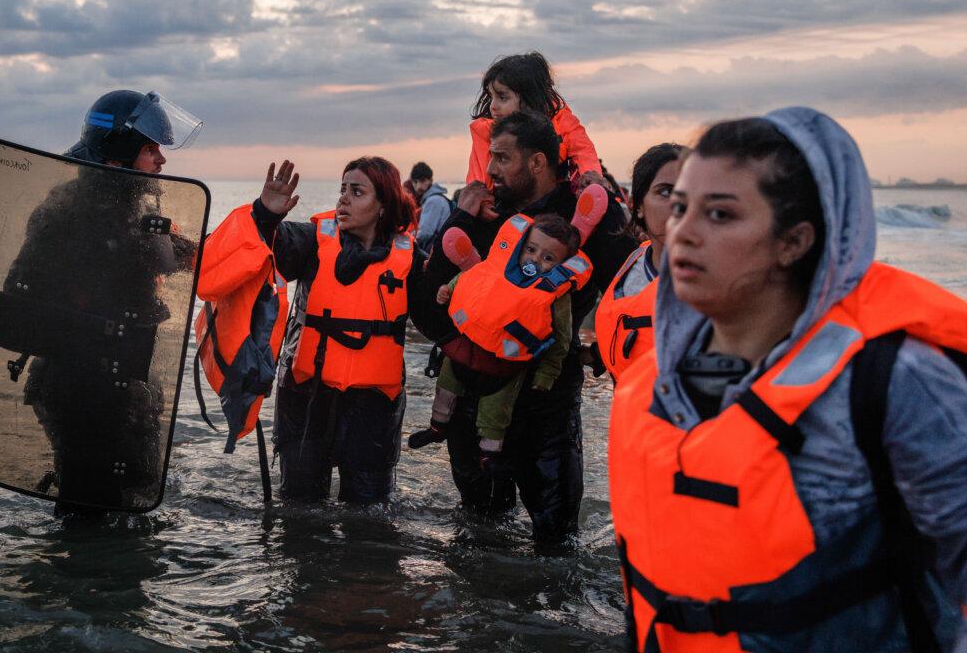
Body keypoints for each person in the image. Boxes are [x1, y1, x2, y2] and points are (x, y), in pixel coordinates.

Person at [609, 108, 967, 651]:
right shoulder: (654, 382)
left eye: (721, 214)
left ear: (793, 241)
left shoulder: (895, 382)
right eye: (679, 207)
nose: (684, 232)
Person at [412, 109, 636, 549]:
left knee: (555, 543)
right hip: (474, 394)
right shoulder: (482, 213)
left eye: (501, 158)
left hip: (545, 405)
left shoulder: (584, 214)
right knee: (478, 535)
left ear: (537, 162)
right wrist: (461, 216)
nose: (490, 168)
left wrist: (596, 354)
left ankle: (546, 618)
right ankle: (482, 619)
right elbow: (425, 298)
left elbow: (634, 287)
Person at [5, 89, 202, 515]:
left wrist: (262, 220)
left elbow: (186, 255)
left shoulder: (128, 207)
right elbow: (19, 293)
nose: (161, 161)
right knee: (88, 516)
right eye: (151, 150)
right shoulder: (77, 211)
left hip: (119, 385)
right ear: (118, 155)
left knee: (125, 501)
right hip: (83, 391)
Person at [250, 156, 424, 503]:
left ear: (383, 204)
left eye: (356, 191)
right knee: (299, 508)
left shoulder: (411, 258)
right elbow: (263, 251)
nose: (343, 198)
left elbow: (440, 323)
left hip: (374, 403)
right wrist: (266, 215)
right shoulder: (313, 241)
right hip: (306, 394)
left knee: (369, 513)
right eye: (342, 189)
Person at [407, 212, 592, 472]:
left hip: (505, 367)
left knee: (496, 415)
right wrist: (446, 290)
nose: (535, 260)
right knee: (446, 385)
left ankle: (489, 456)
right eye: (531, 249)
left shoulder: (555, 296)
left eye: (548, 258)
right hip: (464, 351)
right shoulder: (497, 267)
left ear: (562, 265)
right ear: (521, 246)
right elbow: (469, 281)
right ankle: (437, 427)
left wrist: (546, 376)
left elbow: (561, 340)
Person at [592, 143, 686, 381]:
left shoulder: (727, 281)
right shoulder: (631, 264)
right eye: (665, 191)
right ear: (637, 206)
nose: (679, 204)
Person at [466, 52, 600, 189]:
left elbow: (583, 152)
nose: (492, 106)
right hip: (503, 206)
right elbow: (477, 182)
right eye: (491, 97)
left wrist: (591, 182)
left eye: (502, 97)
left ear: (529, 98)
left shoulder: (561, 121)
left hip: (554, 201)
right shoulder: (485, 131)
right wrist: (482, 202)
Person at [407, 161, 452, 253]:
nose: (419, 185)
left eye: (422, 180)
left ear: (431, 180)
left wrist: (406, 240)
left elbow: (425, 233)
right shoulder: (437, 198)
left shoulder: (433, 200)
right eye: (415, 181)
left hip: (438, 250)